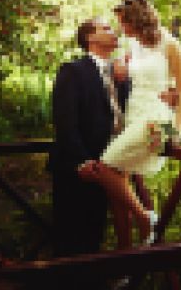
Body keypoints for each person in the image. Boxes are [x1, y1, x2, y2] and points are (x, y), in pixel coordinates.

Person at [79, 0, 181, 246]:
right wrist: (120, 70)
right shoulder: (133, 45)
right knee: (118, 181)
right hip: (133, 115)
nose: (121, 28)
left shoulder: (171, 45)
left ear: (137, 19)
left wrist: (175, 131)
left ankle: (145, 217)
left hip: (156, 117)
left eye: (124, 22)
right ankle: (125, 253)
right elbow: (122, 75)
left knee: (106, 165)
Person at [49, 18, 130, 257]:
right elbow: (65, 121)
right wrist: (82, 161)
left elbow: (126, 114)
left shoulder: (120, 74)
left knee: (95, 236)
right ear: (90, 38)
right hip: (77, 168)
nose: (113, 31)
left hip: (109, 165)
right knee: (71, 240)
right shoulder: (73, 71)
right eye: (106, 28)